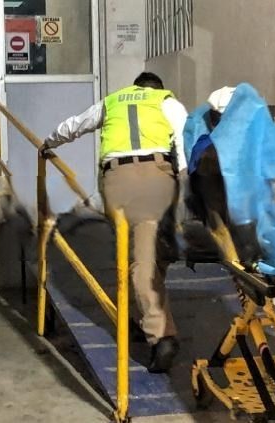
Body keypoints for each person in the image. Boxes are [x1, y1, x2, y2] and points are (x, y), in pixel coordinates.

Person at [40, 72, 188, 373]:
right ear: (157, 90)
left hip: (116, 184)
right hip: (156, 180)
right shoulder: (167, 102)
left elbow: (74, 125)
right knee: (144, 260)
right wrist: (183, 183)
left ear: (135, 87)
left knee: (138, 253)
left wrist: (47, 143)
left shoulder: (113, 101)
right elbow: (184, 146)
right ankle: (161, 336)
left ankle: (150, 311)